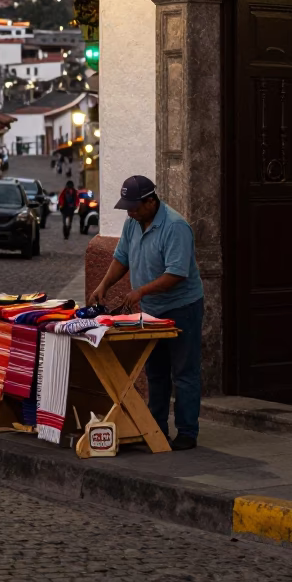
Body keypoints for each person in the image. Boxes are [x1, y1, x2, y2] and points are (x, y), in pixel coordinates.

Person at [89, 175, 204, 451]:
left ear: (151, 202)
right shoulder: (133, 223)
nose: (130, 212)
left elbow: (176, 274)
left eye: (135, 206)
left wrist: (140, 292)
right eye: (127, 207)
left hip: (182, 308)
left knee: (184, 372)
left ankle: (187, 432)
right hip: (152, 311)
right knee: (156, 372)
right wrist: (104, 284)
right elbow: (121, 259)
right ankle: (156, 428)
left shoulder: (175, 227)